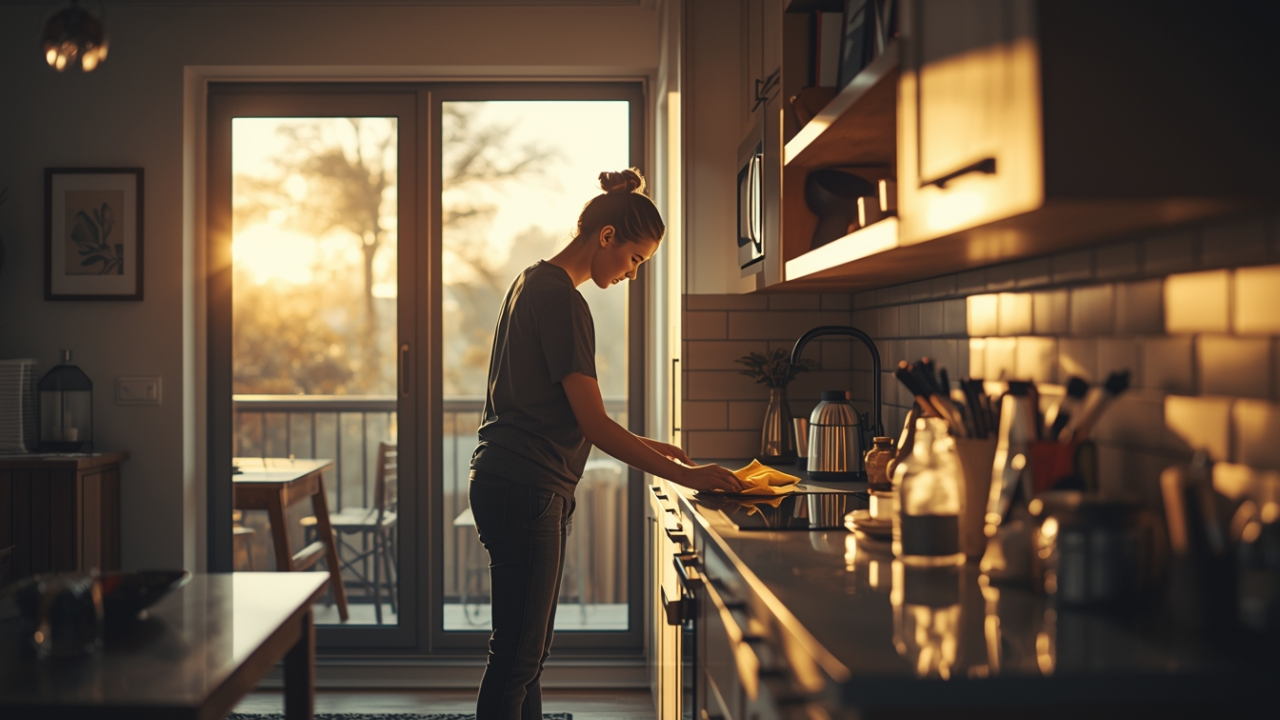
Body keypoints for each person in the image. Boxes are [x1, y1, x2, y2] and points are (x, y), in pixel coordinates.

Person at [469, 168, 745, 720]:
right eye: (636, 259)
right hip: (527, 487)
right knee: (518, 659)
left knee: (527, 656)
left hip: (510, 480)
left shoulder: (531, 280)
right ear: (607, 237)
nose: (633, 274)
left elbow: (563, 412)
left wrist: (649, 445)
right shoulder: (563, 301)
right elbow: (594, 426)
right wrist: (688, 476)